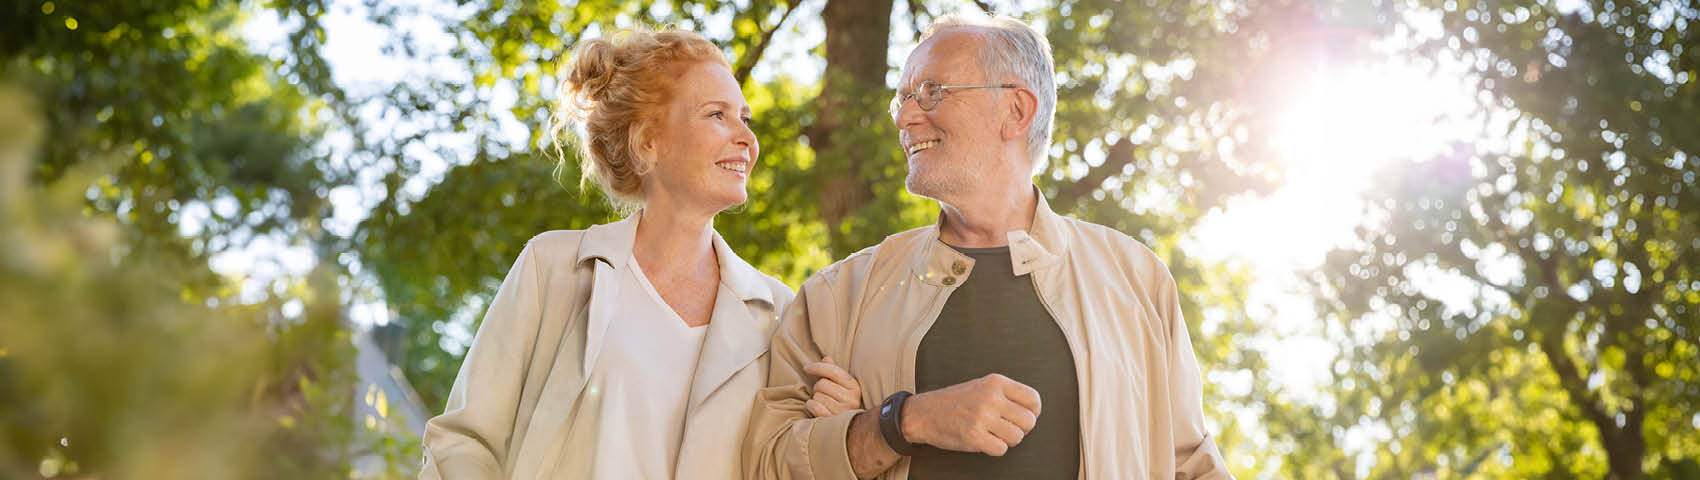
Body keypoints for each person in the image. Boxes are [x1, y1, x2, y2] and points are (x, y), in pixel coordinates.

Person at [743, 14, 1233, 479]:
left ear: (1016, 111)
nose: (906, 117)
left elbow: (1190, 464)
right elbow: (766, 463)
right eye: (903, 99)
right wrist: (900, 423)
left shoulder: (1137, 281)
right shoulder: (838, 296)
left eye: (931, 92)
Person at [418, 28, 858, 479]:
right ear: (648, 141)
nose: (747, 137)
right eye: (717, 114)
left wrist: (835, 428)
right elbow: (464, 441)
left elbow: (786, 463)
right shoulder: (552, 267)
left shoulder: (780, 312)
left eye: (745, 118)